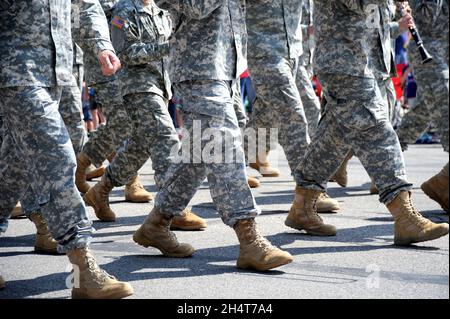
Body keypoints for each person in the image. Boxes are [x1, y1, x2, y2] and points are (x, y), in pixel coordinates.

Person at [133, 0, 293, 271]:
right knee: (224, 144)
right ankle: (249, 237)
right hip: (197, 69)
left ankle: (156, 224)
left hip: (225, 69)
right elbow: (196, 7)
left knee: (197, 156)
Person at [0, 0, 133, 298]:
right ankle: (83, 269)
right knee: (57, 158)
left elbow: (85, 4)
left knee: (13, 168)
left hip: (57, 70)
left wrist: (102, 45)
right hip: (14, 69)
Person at [288, 0, 449, 246]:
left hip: (366, 63)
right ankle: (404, 215)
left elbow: (377, 20)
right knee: (378, 131)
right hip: (344, 61)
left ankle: (302, 206)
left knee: (333, 137)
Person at [85, 0, 207, 231]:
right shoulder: (124, 11)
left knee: (139, 146)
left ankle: (101, 190)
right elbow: (125, 52)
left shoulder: (161, 10)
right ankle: (174, 208)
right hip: (137, 87)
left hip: (161, 86)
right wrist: (167, 47)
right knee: (166, 138)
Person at [244, 0, 340, 215]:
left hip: (294, 54)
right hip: (264, 53)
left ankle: (229, 165)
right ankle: (310, 189)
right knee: (293, 117)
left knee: (267, 117)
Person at [396, 0, 449, 213]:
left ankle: (386, 160)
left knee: (421, 114)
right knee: (445, 107)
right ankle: (444, 183)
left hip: (444, 52)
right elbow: (425, 19)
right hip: (428, 51)